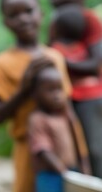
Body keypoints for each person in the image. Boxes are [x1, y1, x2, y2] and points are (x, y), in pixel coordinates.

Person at [0, 0, 73, 192]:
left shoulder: (55, 57)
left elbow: (66, 109)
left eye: (28, 11)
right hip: (28, 149)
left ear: (41, 13)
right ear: (6, 22)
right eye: (14, 15)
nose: (23, 19)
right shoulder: (2, 62)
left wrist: (81, 155)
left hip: (61, 146)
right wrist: (25, 87)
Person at [49, 0, 102, 178]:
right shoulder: (56, 22)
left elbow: (96, 63)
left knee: (94, 149)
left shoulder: (89, 19)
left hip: (89, 97)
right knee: (70, 151)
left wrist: (62, 61)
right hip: (63, 97)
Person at [27, 61, 90, 192]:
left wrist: (83, 168)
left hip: (71, 171)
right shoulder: (38, 119)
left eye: (59, 89)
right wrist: (62, 170)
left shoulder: (65, 117)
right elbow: (42, 150)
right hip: (49, 175)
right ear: (35, 94)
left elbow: (77, 143)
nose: (57, 95)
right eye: (50, 90)